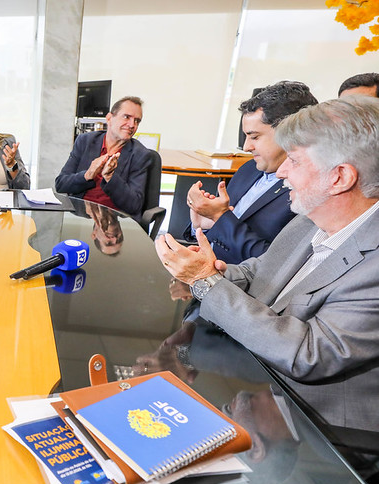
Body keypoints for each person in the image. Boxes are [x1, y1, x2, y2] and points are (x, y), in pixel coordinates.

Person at [155, 96, 379, 431]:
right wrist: (208, 269)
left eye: (294, 161)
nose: (282, 171)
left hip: (320, 430)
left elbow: (308, 354)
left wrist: (206, 281)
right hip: (259, 373)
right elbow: (257, 272)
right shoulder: (308, 219)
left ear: (340, 177)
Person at [184, 81, 317, 263]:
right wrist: (202, 226)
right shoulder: (248, 169)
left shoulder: (309, 192)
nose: (246, 147)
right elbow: (221, 231)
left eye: (254, 137)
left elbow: (275, 263)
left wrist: (220, 217)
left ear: (291, 133)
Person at [55, 96, 151, 222]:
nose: (132, 125)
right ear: (109, 118)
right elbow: (61, 184)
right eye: (127, 117)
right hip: (79, 217)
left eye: (137, 121)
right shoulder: (85, 141)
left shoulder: (141, 155)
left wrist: (110, 178)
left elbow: (134, 206)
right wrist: (88, 175)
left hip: (114, 223)